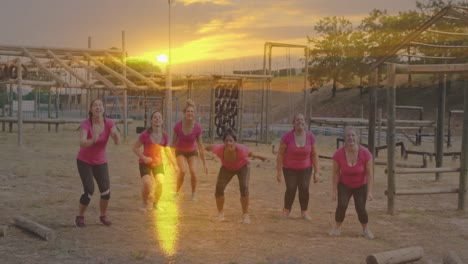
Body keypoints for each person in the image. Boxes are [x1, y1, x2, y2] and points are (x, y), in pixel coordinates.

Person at [206, 129, 268, 224]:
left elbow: (252, 154)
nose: (228, 143)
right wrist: (199, 148)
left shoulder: (242, 150)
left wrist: (263, 158)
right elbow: (209, 147)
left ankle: (245, 215)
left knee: (244, 187)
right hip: (227, 167)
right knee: (219, 189)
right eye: (226, 141)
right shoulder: (219, 149)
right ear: (223, 142)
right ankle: (220, 214)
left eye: (231, 140)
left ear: (235, 142)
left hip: (242, 167)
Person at [75, 99, 120, 227]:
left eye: (100, 105)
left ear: (103, 109)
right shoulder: (86, 124)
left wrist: (116, 136)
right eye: (95, 105)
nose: (98, 107)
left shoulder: (109, 123)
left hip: (100, 161)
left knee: (106, 191)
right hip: (84, 161)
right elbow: (82, 142)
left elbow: (117, 140)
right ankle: (80, 216)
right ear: (91, 109)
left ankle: (103, 215)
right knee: (89, 190)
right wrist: (93, 138)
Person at [328, 126, 374, 239]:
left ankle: (365, 230)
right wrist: (334, 191)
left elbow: (369, 174)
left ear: (357, 137)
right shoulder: (338, 154)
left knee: (361, 208)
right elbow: (335, 174)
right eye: (348, 135)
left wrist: (369, 192)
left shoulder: (366, 153)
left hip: (360, 185)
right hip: (345, 184)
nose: (351, 137)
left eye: (353, 135)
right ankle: (337, 228)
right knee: (342, 205)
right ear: (344, 138)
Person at [276, 113, 319, 221]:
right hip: (289, 168)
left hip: (306, 168)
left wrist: (317, 172)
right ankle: (286, 210)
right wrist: (279, 171)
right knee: (291, 188)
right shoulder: (287, 137)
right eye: (297, 120)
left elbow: (314, 154)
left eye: (302, 120)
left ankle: (304, 211)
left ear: (305, 122)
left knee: (304, 188)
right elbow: (280, 154)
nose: (300, 122)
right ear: (293, 123)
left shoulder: (310, 136)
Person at [132, 111, 178, 211]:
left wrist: (174, 164)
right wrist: (144, 158)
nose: (157, 119)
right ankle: (144, 204)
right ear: (151, 121)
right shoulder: (145, 135)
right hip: (145, 162)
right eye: (155, 117)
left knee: (160, 183)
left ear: (162, 121)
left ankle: (155, 204)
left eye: (159, 118)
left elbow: (167, 150)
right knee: (147, 183)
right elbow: (135, 147)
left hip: (158, 162)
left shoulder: (164, 135)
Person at [172, 99, 208, 201]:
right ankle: (176, 192)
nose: (190, 113)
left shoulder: (197, 127)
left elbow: (200, 146)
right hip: (180, 151)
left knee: (193, 171)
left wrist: (204, 163)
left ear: (194, 114)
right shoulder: (178, 126)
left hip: (192, 152)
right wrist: (169, 159)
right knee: (183, 171)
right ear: (184, 113)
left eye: (192, 112)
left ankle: (194, 194)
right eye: (188, 111)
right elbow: (173, 144)